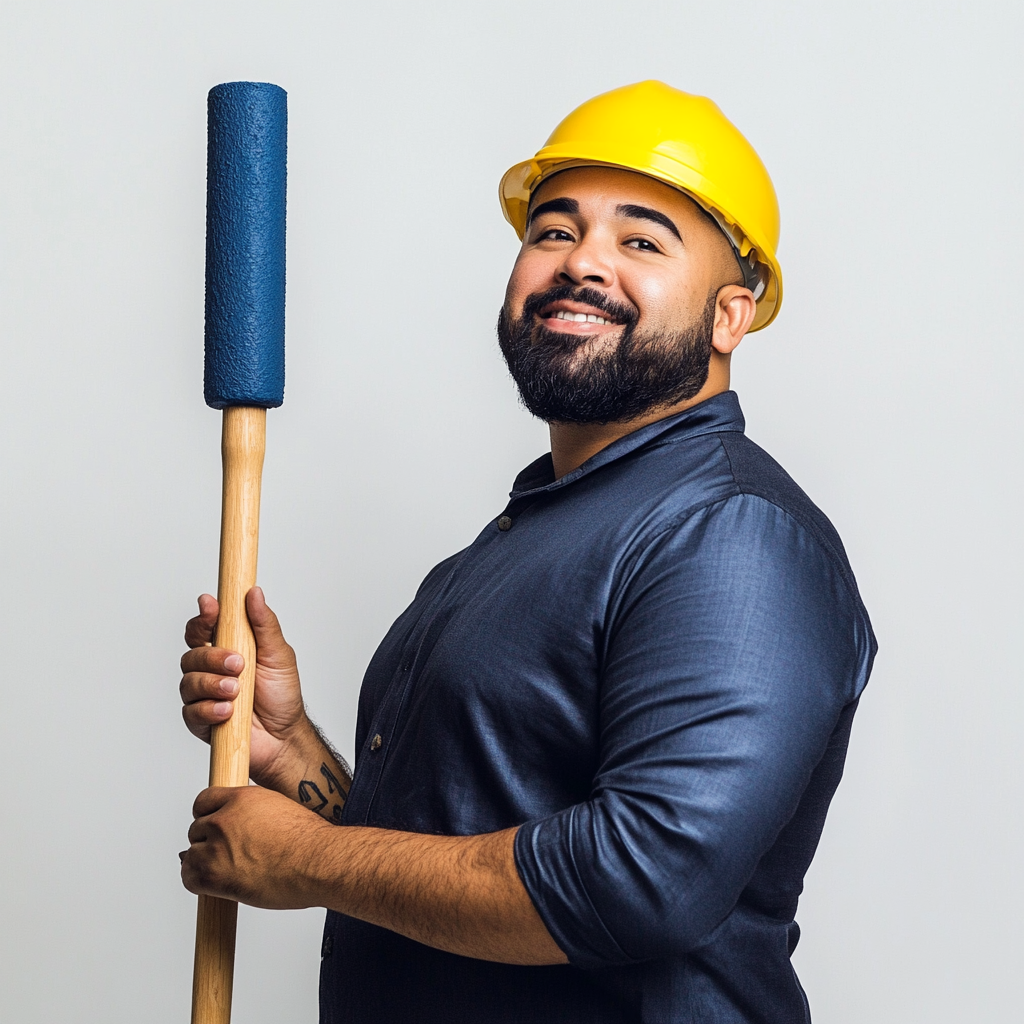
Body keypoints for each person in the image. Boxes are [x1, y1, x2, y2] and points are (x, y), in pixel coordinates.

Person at [179, 81, 876, 1023]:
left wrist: (302, 860)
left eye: (641, 240)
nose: (582, 263)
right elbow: (438, 854)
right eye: (553, 230)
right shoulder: (524, 534)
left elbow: (641, 881)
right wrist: (289, 753)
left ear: (729, 317)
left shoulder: (730, 533)